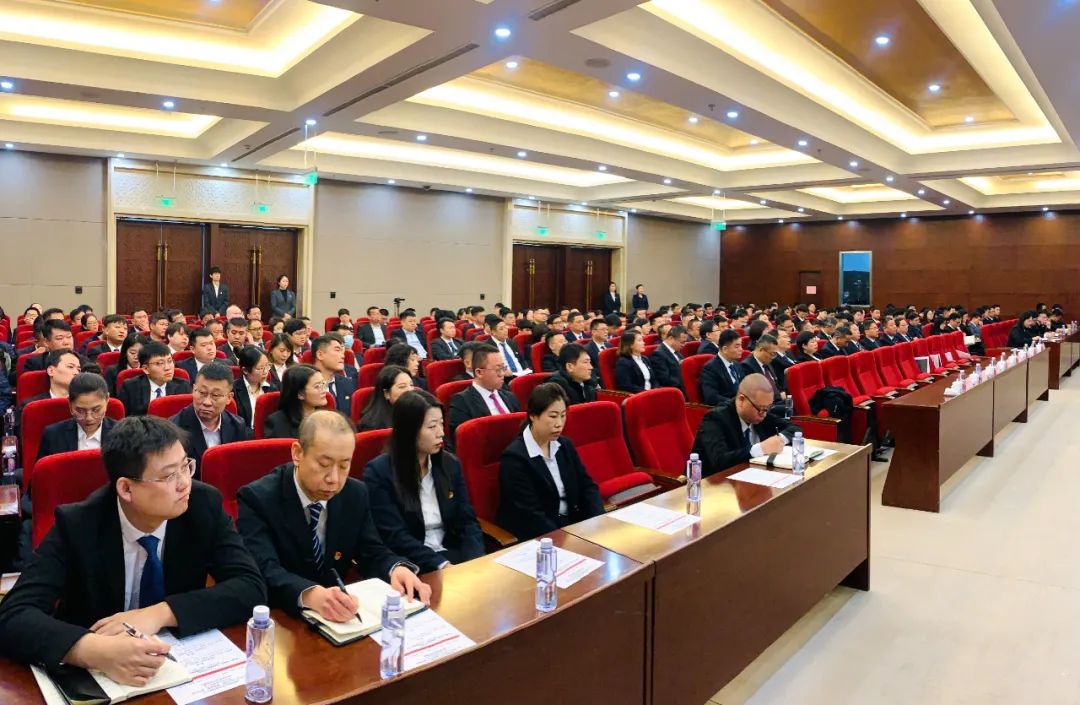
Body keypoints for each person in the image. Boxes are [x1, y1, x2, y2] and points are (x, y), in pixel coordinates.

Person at [0, 415, 265, 681]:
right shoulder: (79, 525)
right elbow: (12, 615)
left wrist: (160, 613)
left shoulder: (202, 505)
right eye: (169, 475)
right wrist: (92, 650)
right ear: (126, 488)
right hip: (101, 676)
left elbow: (251, 587)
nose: (184, 483)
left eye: (186, 466)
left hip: (176, 666)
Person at [237, 411, 430, 620]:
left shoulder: (355, 493)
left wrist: (396, 568)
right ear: (297, 453)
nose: (334, 479)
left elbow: (372, 551)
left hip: (339, 615)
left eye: (344, 465)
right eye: (324, 464)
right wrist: (309, 594)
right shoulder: (257, 499)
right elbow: (265, 569)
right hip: (280, 617)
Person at [364, 390, 484, 572]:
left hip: (453, 554)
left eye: (441, 424)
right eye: (432, 426)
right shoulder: (379, 472)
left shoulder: (450, 464)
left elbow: (467, 521)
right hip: (412, 565)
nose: (441, 433)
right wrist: (441, 565)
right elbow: (394, 536)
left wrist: (475, 562)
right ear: (409, 430)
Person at [496, 383, 604, 540]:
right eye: (553, 416)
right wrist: (567, 539)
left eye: (563, 415)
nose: (559, 423)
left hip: (572, 525)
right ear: (533, 416)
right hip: (539, 535)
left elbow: (587, 486)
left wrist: (599, 521)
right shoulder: (514, 458)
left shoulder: (564, 445)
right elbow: (530, 515)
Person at [692, 374, 799, 477]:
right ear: (741, 400)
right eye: (761, 409)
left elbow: (795, 429)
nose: (764, 414)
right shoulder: (715, 418)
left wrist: (779, 440)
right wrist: (760, 448)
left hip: (753, 476)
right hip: (714, 483)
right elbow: (720, 461)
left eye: (768, 408)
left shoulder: (761, 412)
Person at [169, 363, 249, 477]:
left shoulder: (237, 425)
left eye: (215, 395)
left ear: (229, 398)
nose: (207, 402)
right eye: (202, 393)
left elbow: (238, 468)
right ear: (194, 390)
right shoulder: (174, 428)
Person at [447, 344, 520, 449]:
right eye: (498, 369)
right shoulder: (461, 402)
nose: (502, 374)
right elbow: (464, 444)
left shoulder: (510, 397)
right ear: (479, 372)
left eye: (503, 368)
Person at [37, 372, 117, 461]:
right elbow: (43, 469)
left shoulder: (120, 435)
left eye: (96, 410)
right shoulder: (53, 435)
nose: (89, 418)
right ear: (70, 404)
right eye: (80, 411)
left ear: (107, 400)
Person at [117, 342, 191, 417]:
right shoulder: (130, 387)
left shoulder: (183, 386)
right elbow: (125, 419)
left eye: (170, 361)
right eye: (160, 363)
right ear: (146, 369)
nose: (167, 368)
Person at [263, 364, 329, 439]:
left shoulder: (327, 417)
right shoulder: (277, 423)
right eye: (317, 386)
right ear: (300, 394)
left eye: (323, 384)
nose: (324, 391)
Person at [357, 365, 412, 431]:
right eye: (402, 386)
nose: (410, 390)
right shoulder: (371, 425)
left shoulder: (417, 412)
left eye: (411, 385)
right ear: (386, 393)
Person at [311, 334, 356, 413]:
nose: (343, 356)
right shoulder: (308, 386)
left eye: (342, 351)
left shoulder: (348, 383)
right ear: (320, 355)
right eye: (337, 350)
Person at [699, 329, 744, 405]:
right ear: (725, 349)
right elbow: (711, 397)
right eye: (737, 347)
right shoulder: (710, 368)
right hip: (727, 407)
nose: (741, 349)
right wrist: (736, 403)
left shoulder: (737, 364)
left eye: (741, 345)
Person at [739, 333, 785, 402]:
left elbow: (776, 384)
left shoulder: (767, 362)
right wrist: (779, 396)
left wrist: (782, 392)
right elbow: (757, 393)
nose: (773, 357)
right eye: (772, 354)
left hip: (779, 400)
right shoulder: (747, 366)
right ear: (761, 350)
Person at [234, 346, 272, 429]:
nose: (266, 372)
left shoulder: (272, 388)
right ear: (245, 370)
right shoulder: (233, 391)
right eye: (260, 368)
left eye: (267, 366)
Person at [648, 324, 686, 395]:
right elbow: (665, 379)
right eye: (682, 342)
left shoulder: (676, 351)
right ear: (671, 338)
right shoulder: (658, 354)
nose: (683, 345)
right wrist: (686, 383)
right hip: (674, 391)